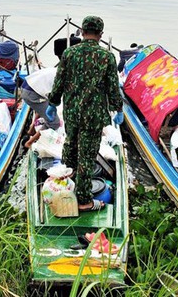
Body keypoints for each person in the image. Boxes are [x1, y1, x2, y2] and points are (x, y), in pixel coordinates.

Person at [48, 15, 123, 212]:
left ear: (82, 31)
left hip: (72, 112)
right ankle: (84, 201)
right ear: (101, 34)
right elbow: (113, 88)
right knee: (87, 157)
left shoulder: (69, 53)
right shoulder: (107, 57)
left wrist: (52, 103)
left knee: (70, 146)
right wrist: (118, 108)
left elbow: (59, 81)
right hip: (94, 115)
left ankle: (67, 187)